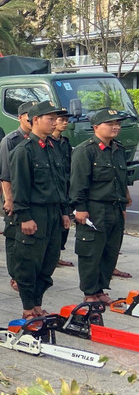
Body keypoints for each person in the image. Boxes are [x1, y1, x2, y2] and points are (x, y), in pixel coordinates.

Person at [9, 101, 71, 318]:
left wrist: (65, 212)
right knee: (29, 263)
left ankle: (37, 303)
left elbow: (60, 182)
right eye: (50, 118)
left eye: (55, 118)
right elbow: (20, 186)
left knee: (49, 261)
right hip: (34, 213)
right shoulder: (24, 150)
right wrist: (24, 216)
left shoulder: (54, 147)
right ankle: (28, 308)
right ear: (35, 120)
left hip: (53, 213)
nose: (54, 122)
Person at [70, 109, 132, 302]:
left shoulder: (118, 149)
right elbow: (78, 182)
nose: (116, 127)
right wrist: (80, 208)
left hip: (114, 207)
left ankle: (100, 289)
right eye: (110, 123)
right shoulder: (85, 150)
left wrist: (123, 203)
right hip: (95, 208)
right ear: (96, 127)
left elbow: (121, 179)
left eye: (118, 124)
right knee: (91, 252)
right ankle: (89, 292)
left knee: (110, 250)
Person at [0, 101, 36, 291]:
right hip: (15, 197)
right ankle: (15, 275)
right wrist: (9, 199)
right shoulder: (11, 140)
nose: (32, 118)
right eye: (29, 114)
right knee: (14, 237)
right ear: (21, 117)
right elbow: (6, 174)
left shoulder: (39, 140)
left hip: (33, 198)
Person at [51, 115, 75, 268]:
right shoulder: (48, 143)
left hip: (66, 187)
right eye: (62, 120)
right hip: (54, 189)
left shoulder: (65, 142)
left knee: (65, 223)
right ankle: (53, 255)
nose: (65, 123)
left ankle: (58, 253)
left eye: (67, 120)